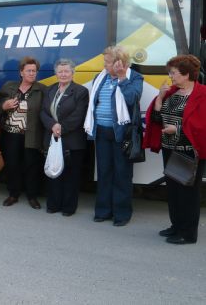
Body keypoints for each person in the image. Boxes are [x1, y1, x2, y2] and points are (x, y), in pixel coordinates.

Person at [143, 55, 206, 244]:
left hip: (189, 150)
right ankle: (176, 226)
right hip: (169, 148)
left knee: (187, 192)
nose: (170, 76)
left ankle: (188, 233)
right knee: (173, 190)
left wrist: (176, 129)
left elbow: (202, 125)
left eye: (173, 73)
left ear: (186, 74)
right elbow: (155, 118)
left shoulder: (202, 93)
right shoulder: (171, 92)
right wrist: (160, 97)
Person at [84, 46, 143, 226]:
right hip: (101, 131)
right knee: (104, 172)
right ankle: (103, 211)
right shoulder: (100, 77)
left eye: (108, 62)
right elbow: (95, 103)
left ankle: (122, 214)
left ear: (120, 63)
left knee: (122, 173)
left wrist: (122, 78)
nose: (104, 65)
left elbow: (132, 98)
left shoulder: (134, 77)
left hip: (122, 133)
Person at [40, 59, 89, 216]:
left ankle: (68, 207)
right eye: (60, 71)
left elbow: (79, 115)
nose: (63, 74)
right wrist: (52, 125)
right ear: (56, 74)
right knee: (54, 172)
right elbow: (43, 112)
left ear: (73, 73)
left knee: (71, 175)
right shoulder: (49, 90)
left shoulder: (81, 91)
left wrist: (61, 127)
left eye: (66, 71)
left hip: (72, 140)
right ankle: (53, 204)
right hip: (53, 138)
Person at [0, 57, 46, 209]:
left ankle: (32, 196)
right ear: (21, 72)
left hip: (31, 134)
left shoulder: (42, 89)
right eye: (29, 71)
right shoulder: (9, 87)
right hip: (10, 134)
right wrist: (4, 105)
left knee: (31, 165)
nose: (32, 73)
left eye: (34, 71)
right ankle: (13, 194)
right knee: (12, 164)